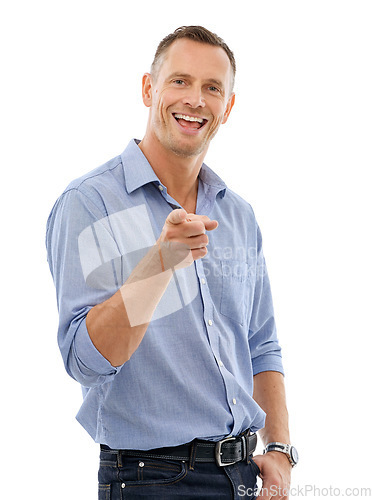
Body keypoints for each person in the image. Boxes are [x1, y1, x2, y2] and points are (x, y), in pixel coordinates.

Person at [46, 25, 298, 500]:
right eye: (179, 81)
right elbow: (83, 361)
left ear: (229, 106)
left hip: (245, 477)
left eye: (212, 88)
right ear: (149, 89)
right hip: (150, 480)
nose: (195, 100)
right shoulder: (90, 203)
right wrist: (160, 264)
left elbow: (262, 344)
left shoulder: (238, 214)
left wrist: (280, 450)